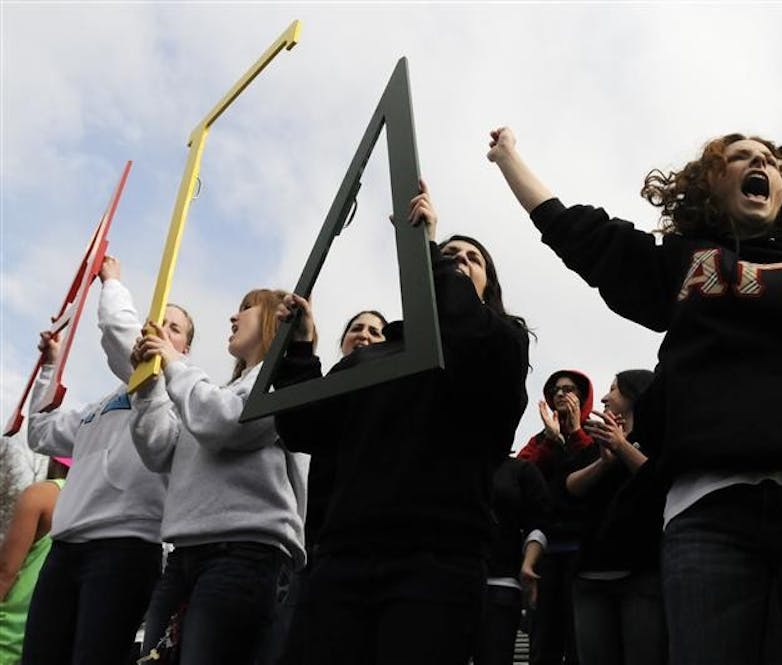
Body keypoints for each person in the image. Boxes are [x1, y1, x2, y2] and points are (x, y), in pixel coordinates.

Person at [488, 127, 782, 664]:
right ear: (713, 185)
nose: (759, 162)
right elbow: (577, 234)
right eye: (740, 157)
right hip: (707, 513)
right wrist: (508, 160)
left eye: (769, 160)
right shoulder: (682, 260)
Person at [273, 180, 530, 665]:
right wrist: (302, 352)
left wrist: (429, 249)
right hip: (344, 555)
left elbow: (462, 329)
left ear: (487, 288)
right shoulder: (376, 358)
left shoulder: (501, 341)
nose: (457, 259)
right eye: (450, 254)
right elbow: (302, 427)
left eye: (471, 259)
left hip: (438, 559)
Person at [23, 257, 192, 665]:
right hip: (66, 550)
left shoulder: (180, 392)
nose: (158, 331)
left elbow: (121, 335)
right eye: (157, 322)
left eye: (173, 328)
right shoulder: (98, 408)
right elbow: (41, 432)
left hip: (125, 550)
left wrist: (111, 282)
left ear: (185, 348)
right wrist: (50, 365)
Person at [129, 288, 307, 664]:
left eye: (245, 308)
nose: (232, 317)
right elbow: (159, 451)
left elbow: (224, 424)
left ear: (274, 319)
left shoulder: (280, 380)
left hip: (242, 556)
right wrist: (148, 388)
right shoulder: (219, 391)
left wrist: (175, 363)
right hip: (184, 558)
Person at [267, 309, 387, 665]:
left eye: (376, 332)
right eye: (357, 328)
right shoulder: (328, 392)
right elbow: (299, 421)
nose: (364, 335)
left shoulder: (394, 394)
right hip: (320, 545)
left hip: (376, 547)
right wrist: (302, 347)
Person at [564, 369, 666, 665]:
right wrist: (603, 463)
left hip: (641, 575)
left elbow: (659, 481)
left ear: (636, 396)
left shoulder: (657, 441)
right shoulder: (598, 442)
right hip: (589, 575)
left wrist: (623, 447)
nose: (606, 397)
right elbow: (569, 487)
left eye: (615, 390)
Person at [517, 369, 595, 665]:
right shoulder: (539, 439)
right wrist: (551, 443)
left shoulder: (594, 431)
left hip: (584, 554)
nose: (561, 394)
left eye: (570, 389)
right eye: (556, 390)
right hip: (546, 553)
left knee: (581, 645)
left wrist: (573, 436)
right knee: (543, 642)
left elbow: (594, 474)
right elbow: (523, 476)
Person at [473, 456, 550, 665]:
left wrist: (529, 562)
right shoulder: (448, 466)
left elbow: (539, 521)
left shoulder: (522, 470)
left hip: (501, 582)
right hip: (448, 579)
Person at [0, 457, 68, 663]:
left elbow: (5, 571)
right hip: (57, 633)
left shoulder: (43, 495)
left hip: (11, 633)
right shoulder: (101, 505)